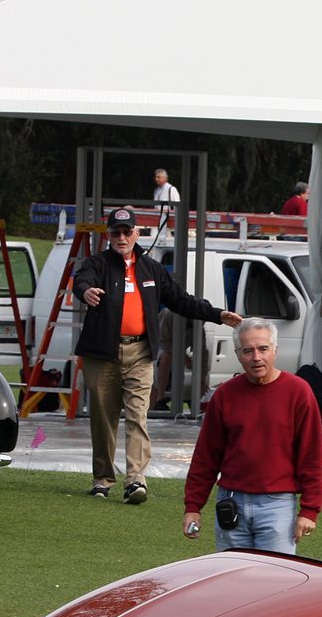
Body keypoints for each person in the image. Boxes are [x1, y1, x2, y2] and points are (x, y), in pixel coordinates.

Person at [77, 206, 242, 503]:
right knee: (103, 417)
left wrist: (217, 314)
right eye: (116, 232)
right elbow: (81, 280)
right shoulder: (97, 263)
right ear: (108, 236)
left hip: (140, 352)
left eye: (128, 232)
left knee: (138, 414)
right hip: (101, 354)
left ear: (137, 233)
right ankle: (102, 478)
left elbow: (181, 301)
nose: (122, 237)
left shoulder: (151, 268)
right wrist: (86, 291)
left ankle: (135, 480)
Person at [182, 317, 322, 551]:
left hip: (277, 505)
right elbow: (206, 456)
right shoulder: (225, 395)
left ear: (275, 351)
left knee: (275, 581)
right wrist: (193, 506)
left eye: (263, 349)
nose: (256, 357)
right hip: (231, 501)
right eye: (248, 351)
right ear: (238, 355)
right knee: (233, 582)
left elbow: (312, 456)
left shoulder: (299, 392)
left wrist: (309, 510)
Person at [148, 309, 211, 414]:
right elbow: (163, 342)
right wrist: (185, 357)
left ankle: (190, 403)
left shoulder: (198, 329)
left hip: (175, 349)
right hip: (155, 344)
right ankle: (158, 400)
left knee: (177, 365)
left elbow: (202, 354)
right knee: (164, 359)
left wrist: (202, 380)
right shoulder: (170, 315)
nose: (203, 324)